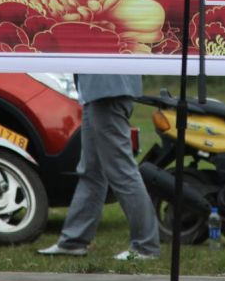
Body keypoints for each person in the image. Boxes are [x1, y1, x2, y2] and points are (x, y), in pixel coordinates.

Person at [38, 74, 161, 260]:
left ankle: (146, 246)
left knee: (121, 171)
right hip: (98, 93)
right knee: (92, 172)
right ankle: (73, 241)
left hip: (107, 91)